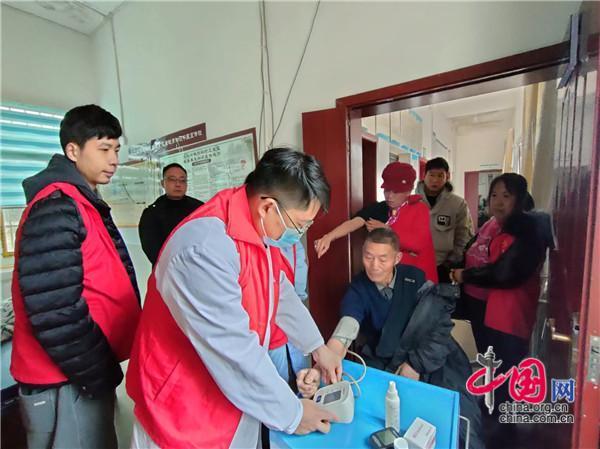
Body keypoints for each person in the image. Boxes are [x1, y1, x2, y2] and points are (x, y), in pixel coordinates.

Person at [126, 148, 343, 448]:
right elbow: (234, 349)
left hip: (228, 400)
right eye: (300, 224)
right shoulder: (203, 249)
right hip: (183, 410)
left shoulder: (256, 229)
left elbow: (279, 291)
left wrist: (317, 347)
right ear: (268, 207)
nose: (301, 232)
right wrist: (294, 414)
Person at [10, 105, 141, 449]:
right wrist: (98, 372)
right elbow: (54, 309)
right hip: (66, 377)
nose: (114, 160)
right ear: (72, 150)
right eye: (104, 149)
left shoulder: (80, 200)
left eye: (116, 150)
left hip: (80, 371)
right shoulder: (56, 206)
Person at [297, 228, 484, 449]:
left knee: (456, 421)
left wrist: (416, 364)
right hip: (388, 360)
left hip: (430, 355)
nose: (374, 265)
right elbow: (346, 330)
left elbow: (438, 325)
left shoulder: (415, 278)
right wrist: (321, 366)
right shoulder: (359, 289)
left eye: (382, 259)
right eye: (368, 257)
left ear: (397, 258)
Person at [450, 173, 546, 446]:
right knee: (496, 370)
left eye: (506, 196)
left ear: (520, 199)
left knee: (505, 375)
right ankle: (492, 420)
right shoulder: (499, 226)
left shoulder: (526, 231)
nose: (498, 202)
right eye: (494, 196)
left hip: (510, 316)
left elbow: (505, 273)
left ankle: (503, 436)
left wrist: (466, 275)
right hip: (494, 312)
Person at [315, 162, 437, 282]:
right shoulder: (382, 208)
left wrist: (386, 229)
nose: (390, 196)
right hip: (391, 278)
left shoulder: (420, 209)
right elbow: (356, 221)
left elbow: (418, 243)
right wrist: (329, 237)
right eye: (387, 190)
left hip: (419, 279)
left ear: (408, 191)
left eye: (395, 192)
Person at [415, 157, 473, 282]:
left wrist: (450, 263)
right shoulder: (412, 201)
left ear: (447, 176)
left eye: (440, 176)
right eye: (431, 175)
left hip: (443, 267)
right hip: (414, 265)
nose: (435, 180)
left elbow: (463, 237)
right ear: (424, 175)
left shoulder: (457, 204)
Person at [138, 163, 203, 265]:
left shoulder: (200, 208)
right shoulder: (151, 213)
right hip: (168, 268)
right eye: (172, 179)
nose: (178, 184)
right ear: (163, 183)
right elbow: (151, 249)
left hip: (199, 265)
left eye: (182, 180)